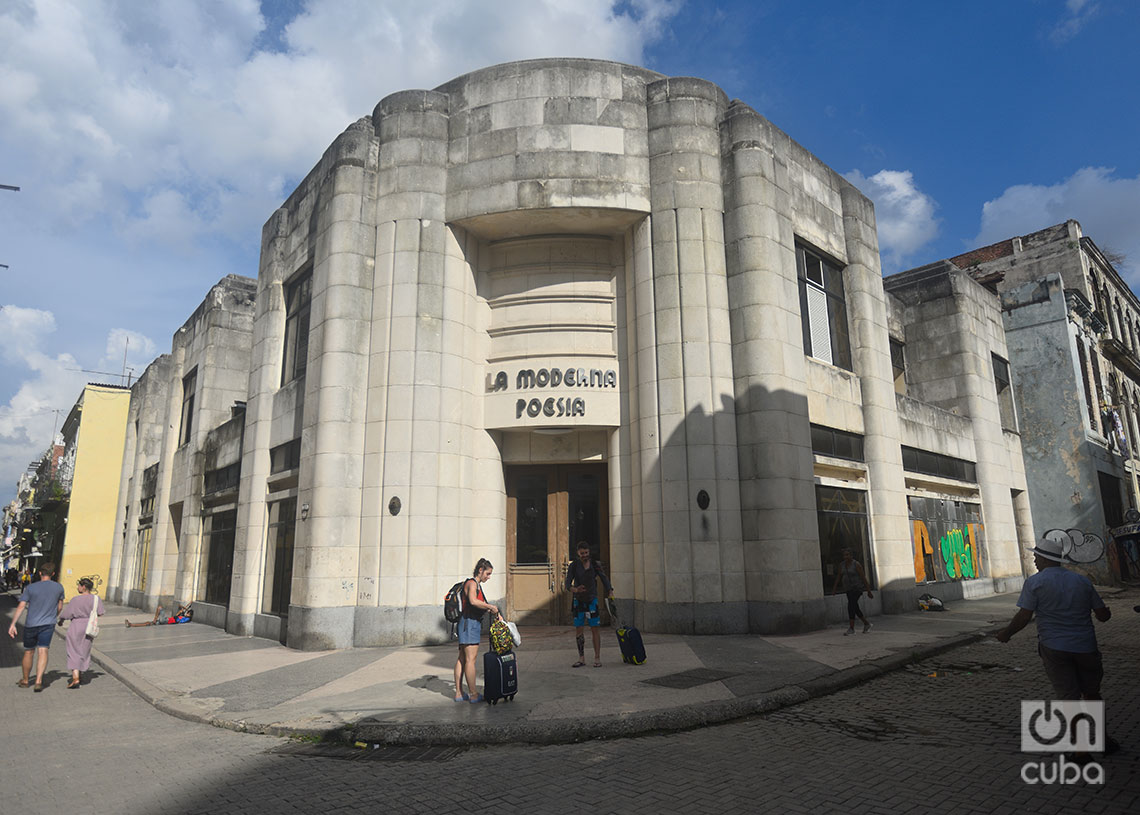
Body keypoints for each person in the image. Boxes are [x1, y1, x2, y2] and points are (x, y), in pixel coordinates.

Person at [995, 535, 1118, 755]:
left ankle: (1081, 750)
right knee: (1091, 693)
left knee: (1069, 697)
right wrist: (1105, 611)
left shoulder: (1035, 583)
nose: (1034, 561)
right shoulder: (1081, 581)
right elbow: (1102, 616)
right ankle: (1103, 738)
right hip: (1086, 646)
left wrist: (1006, 634)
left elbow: (1024, 617)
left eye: (1036, 557)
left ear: (1044, 559)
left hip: (1055, 648)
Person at [7, 561, 65, 691]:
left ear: (40, 573)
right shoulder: (59, 587)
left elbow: (21, 606)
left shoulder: (31, 588)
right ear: (53, 574)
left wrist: (13, 623)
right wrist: (53, 616)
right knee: (43, 650)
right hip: (48, 624)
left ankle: (26, 680)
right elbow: (60, 606)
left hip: (31, 624)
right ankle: (39, 681)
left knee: (29, 651)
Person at [453, 558, 498, 704]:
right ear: (480, 570)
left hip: (465, 623)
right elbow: (473, 601)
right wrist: (490, 606)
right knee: (470, 660)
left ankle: (459, 693)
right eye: (488, 573)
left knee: (462, 658)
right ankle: (473, 694)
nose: (489, 577)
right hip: (469, 623)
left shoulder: (473, 583)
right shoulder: (472, 583)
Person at [565, 541, 613, 667]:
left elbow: (603, 578)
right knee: (579, 629)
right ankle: (581, 658)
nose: (584, 555)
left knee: (595, 629)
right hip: (578, 601)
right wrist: (575, 590)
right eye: (582, 553)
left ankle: (597, 658)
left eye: (586, 553)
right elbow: (567, 585)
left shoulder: (594, 565)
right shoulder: (574, 566)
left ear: (589, 552)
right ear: (578, 553)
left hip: (592, 600)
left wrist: (610, 591)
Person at [58, 577, 105, 689]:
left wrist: (61, 620)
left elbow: (67, 614)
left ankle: (75, 677)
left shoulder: (75, 600)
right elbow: (100, 612)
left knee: (73, 650)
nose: (77, 588)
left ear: (83, 587)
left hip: (76, 625)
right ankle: (81, 672)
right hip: (89, 626)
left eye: (79, 585)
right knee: (84, 650)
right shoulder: (96, 599)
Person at [830, 547, 873, 635]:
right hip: (848, 589)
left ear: (851, 555)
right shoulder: (842, 565)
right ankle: (866, 624)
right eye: (844, 555)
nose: (846, 557)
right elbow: (839, 576)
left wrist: (868, 590)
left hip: (857, 588)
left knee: (851, 605)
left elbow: (863, 578)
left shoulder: (856, 564)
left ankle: (851, 628)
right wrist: (834, 588)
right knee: (855, 607)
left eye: (847, 555)